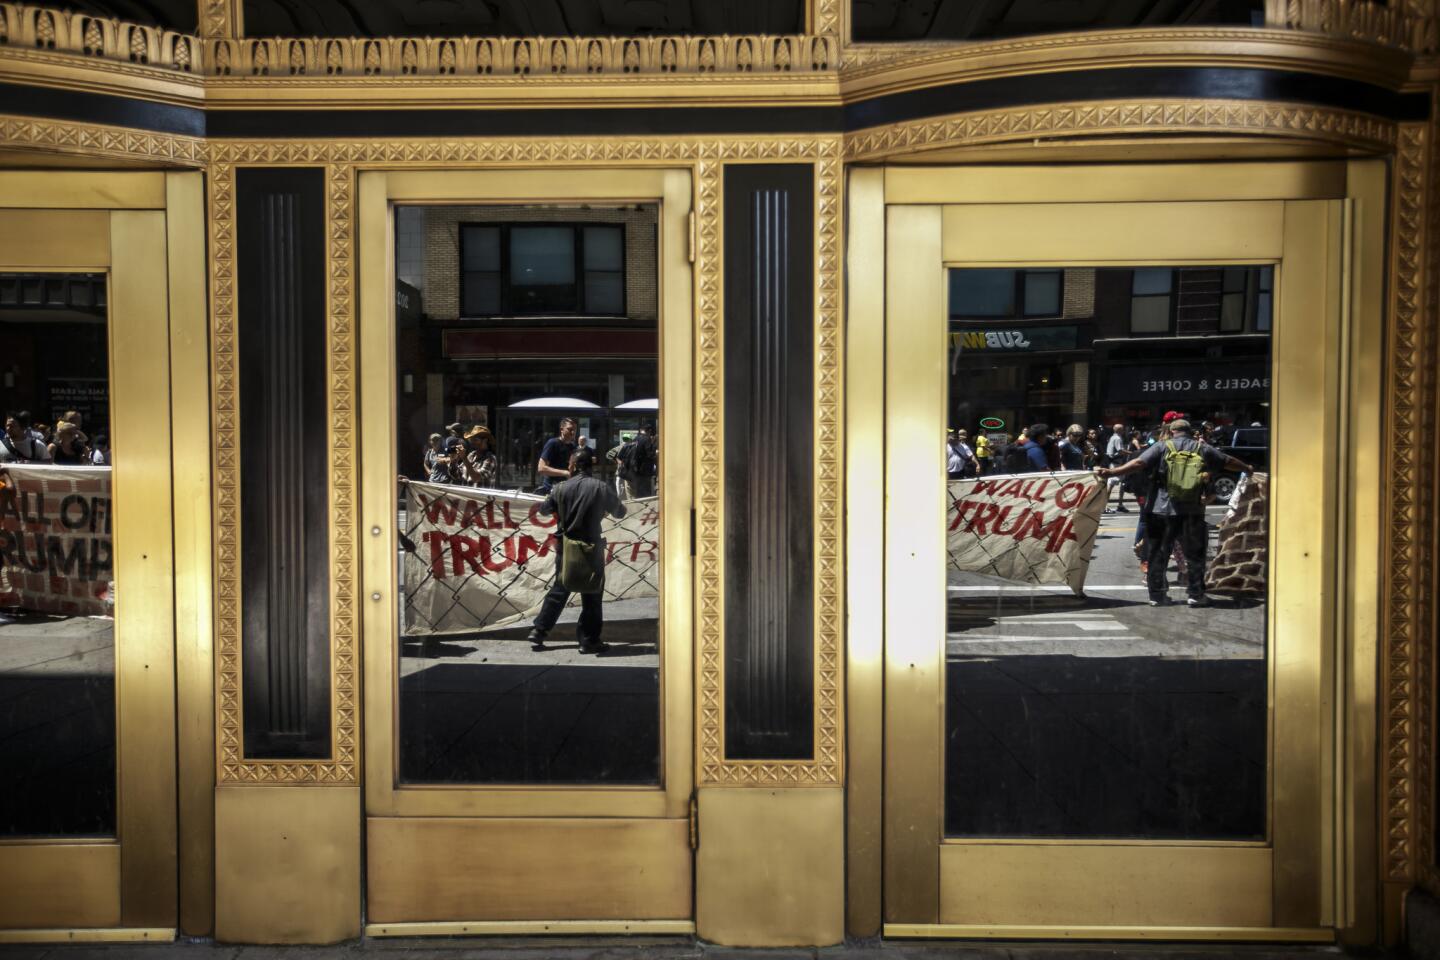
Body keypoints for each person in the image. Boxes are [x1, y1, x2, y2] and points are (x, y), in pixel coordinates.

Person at [1097, 418, 1255, 607]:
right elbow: (1227, 461)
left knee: (1158, 553)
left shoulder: (1162, 447)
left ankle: (1157, 595)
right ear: (1190, 432)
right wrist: (1247, 468)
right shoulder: (1200, 448)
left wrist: (1112, 473)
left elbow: (1139, 462)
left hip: (1160, 510)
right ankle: (1196, 594)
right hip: (1191, 510)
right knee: (1195, 554)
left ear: (1172, 431)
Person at [527, 446, 626, 655]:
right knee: (592, 594)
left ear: (572, 466)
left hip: (566, 545)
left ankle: (539, 630)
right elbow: (620, 512)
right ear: (591, 467)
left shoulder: (560, 488)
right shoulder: (601, 487)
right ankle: (589, 640)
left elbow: (544, 510)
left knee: (560, 587)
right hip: (591, 547)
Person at [535, 417, 578, 494]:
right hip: (551, 490)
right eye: (570, 429)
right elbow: (541, 468)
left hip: (566, 489)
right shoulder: (553, 443)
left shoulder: (573, 446)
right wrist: (565, 473)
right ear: (562, 429)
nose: (573, 432)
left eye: (574, 430)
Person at [616, 424, 658, 498]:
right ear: (649, 431)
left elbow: (621, 456)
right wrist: (657, 453)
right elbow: (650, 455)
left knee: (633, 494)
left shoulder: (634, 439)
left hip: (632, 472)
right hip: (644, 472)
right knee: (644, 495)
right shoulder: (646, 439)